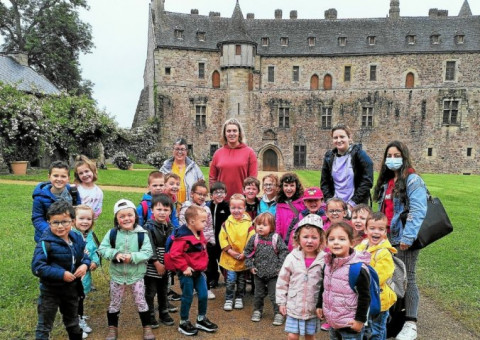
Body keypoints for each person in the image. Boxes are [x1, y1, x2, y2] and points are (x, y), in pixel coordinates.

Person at [373, 141, 427, 340]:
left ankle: (411, 323)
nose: (392, 159)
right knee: (391, 277)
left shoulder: (412, 180)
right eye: (390, 155)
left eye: (397, 155)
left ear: (404, 157)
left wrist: (408, 236)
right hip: (387, 238)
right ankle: (394, 319)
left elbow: (418, 209)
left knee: (409, 277)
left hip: (404, 238)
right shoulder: (388, 182)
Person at [31, 200, 90, 340]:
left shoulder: (76, 238)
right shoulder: (45, 242)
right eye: (55, 222)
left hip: (71, 290)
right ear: (49, 222)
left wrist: (85, 265)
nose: (60, 226)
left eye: (65, 221)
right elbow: (37, 267)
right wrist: (61, 274)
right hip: (50, 292)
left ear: (73, 221)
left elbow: (84, 256)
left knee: (73, 323)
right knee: (44, 326)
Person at [97, 199, 155, 340]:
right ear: (116, 219)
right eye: (121, 216)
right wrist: (115, 254)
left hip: (136, 275)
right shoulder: (112, 234)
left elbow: (148, 252)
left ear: (135, 216)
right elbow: (102, 249)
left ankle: (147, 327)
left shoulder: (142, 234)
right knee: (114, 302)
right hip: (117, 275)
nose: (126, 218)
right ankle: (112, 328)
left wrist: (133, 257)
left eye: (129, 215)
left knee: (140, 301)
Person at [167, 205, 218, 336]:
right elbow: (174, 254)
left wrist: (204, 264)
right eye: (203, 221)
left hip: (199, 272)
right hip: (187, 274)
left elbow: (203, 250)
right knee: (187, 297)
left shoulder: (199, 233)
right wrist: (184, 267)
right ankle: (183, 322)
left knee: (203, 294)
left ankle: (201, 319)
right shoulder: (182, 237)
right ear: (192, 222)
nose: (205, 223)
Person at [316, 221, 371, 340]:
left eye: (341, 239)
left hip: (350, 325)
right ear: (326, 242)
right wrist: (320, 305)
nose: (336, 242)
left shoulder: (357, 269)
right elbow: (324, 287)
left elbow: (365, 297)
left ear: (351, 242)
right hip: (333, 321)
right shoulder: (328, 264)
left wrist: (360, 320)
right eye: (331, 239)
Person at [276, 214, 326, 340]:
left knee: (310, 336)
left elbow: (328, 285)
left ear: (321, 239)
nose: (309, 241)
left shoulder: (324, 259)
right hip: (294, 305)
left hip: (313, 307)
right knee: (292, 336)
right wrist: (281, 302)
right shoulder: (292, 257)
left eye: (314, 237)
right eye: (305, 237)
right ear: (298, 238)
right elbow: (282, 281)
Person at [355, 212, 397, 340]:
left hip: (380, 300)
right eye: (372, 228)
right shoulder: (363, 245)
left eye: (380, 229)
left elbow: (378, 278)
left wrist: (358, 279)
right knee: (368, 329)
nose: (376, 232)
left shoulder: (384, 253)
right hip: (366, 297)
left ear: (385, 232)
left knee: (376, 331)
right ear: (366, 229)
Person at [244, 212, 288, 325]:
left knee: (274, 295)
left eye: (264, 225)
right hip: (258, 273)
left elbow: (284, 252)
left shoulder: (276, 238)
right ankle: (257, 311)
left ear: (272, 226)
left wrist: (279, 268)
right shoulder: (254, 238)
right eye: (258, 224)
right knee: (258, 294)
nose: (260, 227)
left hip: (274, 274)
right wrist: (250, 266)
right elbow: (247, 253)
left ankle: (278, 313)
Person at [178, 179, 216, 299]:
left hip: (204, 242)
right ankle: (192, 288)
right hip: (190, 243)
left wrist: (211, 240)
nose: (202, 197)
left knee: (205, 265)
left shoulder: (207, 209)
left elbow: (209, 226)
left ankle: (206, 287)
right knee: (191, 265)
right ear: (192, 194)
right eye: (199, 194)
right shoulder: (186, 209)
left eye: (204, 195)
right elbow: (182, 226)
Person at [320, 124, 373, 209]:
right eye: (335, 138)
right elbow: (324, 183)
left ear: (349, 137)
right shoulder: (329, 157)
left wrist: (353, 203)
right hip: (335, 206)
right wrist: (330, 201)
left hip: (356, 206)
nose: (339, 140)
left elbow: (367, 181)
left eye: (342, 137)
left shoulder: (359, 155)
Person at [142, 194, 175, 329]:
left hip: (165, 263)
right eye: (159, 209)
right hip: (152, 265)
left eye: (166, 210)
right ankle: (150, 315)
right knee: (151, 291)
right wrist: (156, 262)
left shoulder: (170, 226)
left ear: (170, 212)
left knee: (163, 289)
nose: (162, 213)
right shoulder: (148, 227)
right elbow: (149, 246)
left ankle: (164, 312)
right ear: (152, 210)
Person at [219, 193, 255, 311]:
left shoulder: (249, 224)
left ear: (244, 208)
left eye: (239, 208)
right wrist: (229, 250)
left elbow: (252, 238)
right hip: (230, 257)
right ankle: (229, 298)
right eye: (233, 208)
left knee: (241, 281)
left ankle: (239, 297)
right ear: (229, 208)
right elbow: (222, 238)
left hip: (243, 257)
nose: (236, 211)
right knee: (230, 280)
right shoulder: (226, 223)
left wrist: (246, 252)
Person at [209, 118, 258, 201]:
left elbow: (252, 179)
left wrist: (248, 198)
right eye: (228, 131)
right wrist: (215, 196)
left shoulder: (249, 152)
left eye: (234, 131)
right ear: (225, 134)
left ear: (239, 133)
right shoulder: (218, 153)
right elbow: (212, 178)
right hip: (222, 200)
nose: (232, 133)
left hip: (241, 201)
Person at [32, 160, 81, 242]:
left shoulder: (73, 192)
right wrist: (53, 230)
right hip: (48, 237)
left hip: (69, 234)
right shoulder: (40, 197)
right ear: (49, 177)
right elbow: (37, 218)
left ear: (68, 178)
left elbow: (78, 211)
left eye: (63, 176)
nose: (59, 179)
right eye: (55, 176)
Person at [72, 205, 100, 338]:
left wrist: (95, 261)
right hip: (73, 275)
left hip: (86, 275)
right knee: (74, 299)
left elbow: (95, 251)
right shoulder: (70, 235)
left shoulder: (90, 235)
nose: (85, 221)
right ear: (73, 220)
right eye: (81, 218)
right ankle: (76, 323)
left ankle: (80, 316)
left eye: (88, 219)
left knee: (81, 298)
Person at [160, 138, 204, 204]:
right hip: (169, 206)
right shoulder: (165, 168)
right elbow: (159, 186)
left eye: (182, 149)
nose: (180, 152)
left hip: (189, 207)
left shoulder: (194, 167)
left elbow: (201, 186)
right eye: (177, 149)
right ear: (173, 150)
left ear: (186, 151)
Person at [206, 181, 230, 288]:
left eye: (222, 192)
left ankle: (227, 277)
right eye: (216, 193)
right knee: (211, 261)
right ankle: (213, 279)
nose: (219, 195)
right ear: (211, 195)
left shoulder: (227, 206)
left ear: (225, 194)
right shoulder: (208, 206)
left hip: (223, 239)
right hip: (211, 239)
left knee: (224, 259)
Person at [275, 173, 305, 249]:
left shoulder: (302, 202)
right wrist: (278, 239)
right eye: (286, 185)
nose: (289, 188)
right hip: (284, 240)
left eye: (292, 185)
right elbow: (278, 223)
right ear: (282, 187)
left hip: (298, 239)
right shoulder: (280, 204)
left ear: (296, 187)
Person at [73, 155, 104, 219]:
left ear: (93, 171)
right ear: (77, 176)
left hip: (90, 222)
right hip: (76, 222)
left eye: (87, 171)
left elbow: (98, 209)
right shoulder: (76, 189)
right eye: (81, 173)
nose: (84, 175)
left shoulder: (98, 192)